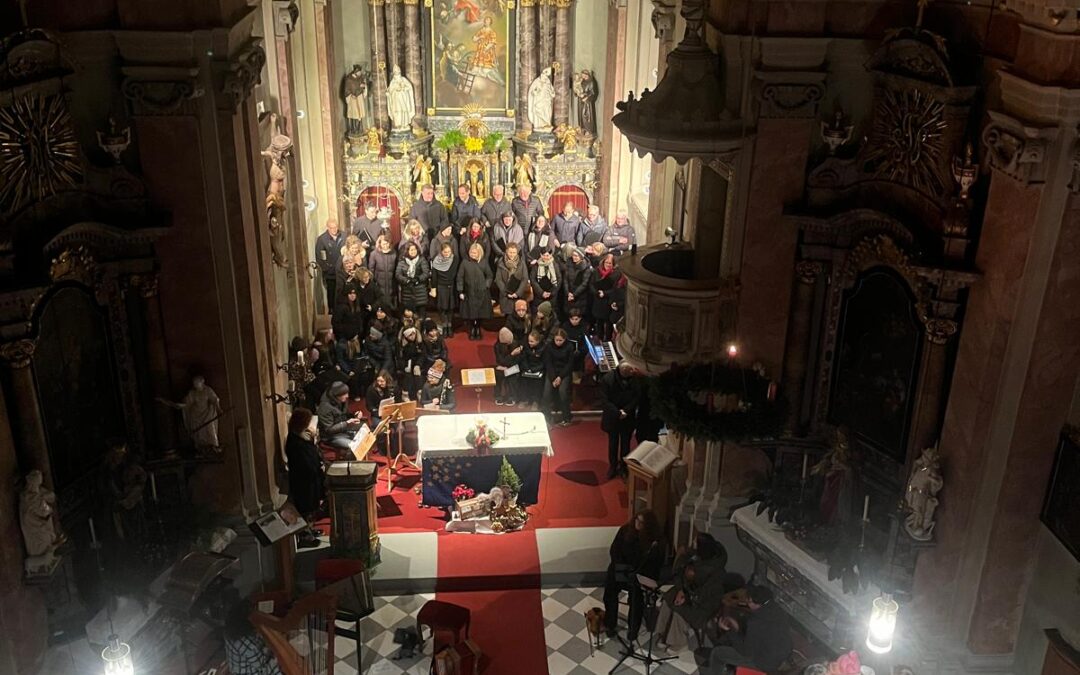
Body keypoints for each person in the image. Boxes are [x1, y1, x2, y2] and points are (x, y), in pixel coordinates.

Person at [656, 533, 729, 651]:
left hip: (703, 606)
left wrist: (686, 595)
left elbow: (705, 594)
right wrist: (681, 590)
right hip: (689, 593)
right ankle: (663, 633)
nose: (692, 543)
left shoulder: (715, 573)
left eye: (695, 542)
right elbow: (680, 575)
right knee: (668, 599)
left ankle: (678, 643)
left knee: (679, 608)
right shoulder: (694, 557)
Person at [603, 510, 664, 642]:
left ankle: (633, 630)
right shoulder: (625, 530)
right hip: (621, 569)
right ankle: (610, 624)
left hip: (638, 575)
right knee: (609, 593)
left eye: (642, 522)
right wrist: (621, 566)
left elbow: (655, 564)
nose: (638, 523)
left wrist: (638, 574)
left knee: (637, 600)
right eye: (637, 519)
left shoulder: (654, 541)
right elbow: (614, 550)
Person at [706, 585, 793, 675]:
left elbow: (746, 653)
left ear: (757, 604)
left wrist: (730, 631)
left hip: (765, 664)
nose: (748, 603)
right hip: (783, 654)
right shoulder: (779, 610)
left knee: (717, 653)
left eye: (750, 601)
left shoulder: (755, 622)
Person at [285, 408, 324, 548]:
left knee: (312, 507)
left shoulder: (301, 436)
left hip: (311, 479)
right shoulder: (294, 441)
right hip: (304, 480)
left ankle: (310, 530)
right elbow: (304, 463)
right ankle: (305, 536)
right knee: (305, 508)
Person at [600, 363, 639, 479]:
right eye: (630, 370)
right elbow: (604, 400)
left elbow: (637, 397)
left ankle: (623, 467)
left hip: (627, 416)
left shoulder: (634, 379)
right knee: (613, 443)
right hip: (613, 417)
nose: (632, 371)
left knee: (626, 444)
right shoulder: (608, 379)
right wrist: (618, 413)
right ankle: (613, 466)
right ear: (623, 370)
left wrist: (626, 410)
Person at [457, 242, 493, 341]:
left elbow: (489, 276)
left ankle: (478, 328)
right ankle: (472, 328)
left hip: (482, 292)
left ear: (479, 253)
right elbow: (460, 277)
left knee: (481, 312)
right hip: (470, 292)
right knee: (471, 312)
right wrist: (460, 291)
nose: (473, 254)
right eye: (471, 252)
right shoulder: (465, 262)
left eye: (475, 253)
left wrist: (486, 285)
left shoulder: (484, 262)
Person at [317, 381, 364, 454]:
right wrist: (346, 423)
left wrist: (355, 414)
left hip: (343, 429)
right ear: (337, 395)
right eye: (345, 394)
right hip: (331, 437)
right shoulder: (324, 407)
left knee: (364, 430)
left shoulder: (342, 400)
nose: (347, 396)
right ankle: (351, 462)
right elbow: (329, 429)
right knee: (355, 446)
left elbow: (345, 413)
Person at [542, 328, 575, 426]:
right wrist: (553, 378)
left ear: (565, 339)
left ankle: (566, 417)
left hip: (564, 373)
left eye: (561, 340)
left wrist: (560, 377)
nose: (558, 342)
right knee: (546, 394)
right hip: (552, 372)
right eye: (557, 340)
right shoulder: (549, 346)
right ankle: (547, 417)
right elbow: (548, 363)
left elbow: (569, 364)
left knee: (563, 392)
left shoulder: (569, 347)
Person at [592, 253, 627, 341]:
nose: (607, 265)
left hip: (609, 301)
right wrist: (597, 293)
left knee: (608, 323)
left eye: (610, 263)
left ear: (613, 264)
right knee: (599, 321)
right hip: (598, 300)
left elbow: (616, 289)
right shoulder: (597, 271)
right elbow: (591, 284)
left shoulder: (617, 274)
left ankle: (607, 340)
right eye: (606, 262)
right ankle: (599, 338)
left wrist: (605, 293)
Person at [430, 241, 459, 336]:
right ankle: (444, 325)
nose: (447, 254)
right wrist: (433, 288)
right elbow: (434, 276)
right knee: (442, 308)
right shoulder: (436, 260)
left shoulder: (455, 259)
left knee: (450, 308)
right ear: (441, 251)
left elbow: (455, 274)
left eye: (449, 252)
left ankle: (449, 326)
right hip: (441, 286)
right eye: (445, 252)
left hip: (451, 286)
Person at [314, 219, 344, 312]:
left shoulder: (344, 236)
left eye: (335, 227)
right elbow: (320, 257)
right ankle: (332, 311)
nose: (334, 230)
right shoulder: (322, 239)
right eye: (332, 228)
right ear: (328, 228)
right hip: (331, 274)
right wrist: (327, 269)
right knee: (332, 294)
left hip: (343, 271)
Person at [395, 242, 430, 319]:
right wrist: (406, 280)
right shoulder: (402, 261)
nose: (413, 251)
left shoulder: (422, 260)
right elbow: (398, 274)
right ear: (407, 251)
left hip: (420, 292)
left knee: (421, 318)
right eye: (411, 250)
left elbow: (426, 273)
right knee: (409, 317)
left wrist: (418, 279)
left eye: (414, 249)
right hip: (407, 293)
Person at [365, 370, 401, 441]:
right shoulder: (371, 389)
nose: (379, 383)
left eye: (382, 381)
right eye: (378, 381)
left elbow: (399, 402)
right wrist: (379, 413)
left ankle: (396, 446)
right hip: (378, 415)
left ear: (387, 380)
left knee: (400, 429)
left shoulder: (394, 388)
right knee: (382, 430)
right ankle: (382, 447)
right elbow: (369, 406)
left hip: (392, 413)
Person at [495, 243, 528, 317]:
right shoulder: (501, 263)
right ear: (506, 251)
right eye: (510, 252)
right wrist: (506, 292)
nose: (512, 254)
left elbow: (525, 279)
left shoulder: (522, 263)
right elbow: (498, 279)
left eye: (514, 252)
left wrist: (517, 293)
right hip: (505, 296)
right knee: (507, 319)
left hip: (518, 295)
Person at [494, 327, 522, 406]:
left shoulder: (516, 345)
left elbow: (516, 361)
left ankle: (512, 396)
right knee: (498, 374)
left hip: (513, 367)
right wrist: (511, 355)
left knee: (512, 376)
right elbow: (500, 360)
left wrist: (511, 355)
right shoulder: (497, 346)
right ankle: (498, 396)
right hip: (502, 366)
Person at [563, 246, 594, 318]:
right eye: (573, 255)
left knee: (578, 315)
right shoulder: (568, 264)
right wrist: (567, 292)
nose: (574, 257)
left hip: (580, 296)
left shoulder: (586, 268)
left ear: (581, 257)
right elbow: (565, 279)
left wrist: (574, 294)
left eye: (576, 256)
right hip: (569, 294)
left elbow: (584, 283)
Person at [518, 330, 546, 409]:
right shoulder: (526, 346)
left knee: (537, 383)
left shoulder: (543, 348)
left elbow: (544, 363)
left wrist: (534, 369)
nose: (529, 343)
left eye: (532, 341)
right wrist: (527, 368)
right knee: (523, 381)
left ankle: (535, 401)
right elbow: (523, 358)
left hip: (538, 369)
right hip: (527, 368)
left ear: (537, 341)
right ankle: (524, 400)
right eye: (529, 341)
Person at [368, 236, 398, 308]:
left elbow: (396, 268)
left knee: (391, 305)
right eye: (384, 244)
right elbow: (371, 269)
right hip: (379, 283)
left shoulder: (394, 253)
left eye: (387, 243)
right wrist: (374, 280)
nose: (385, 245)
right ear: (380, 244)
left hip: (391, 284)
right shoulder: (374, 254)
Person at [396, 326, 424, 401]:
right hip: (406, 365)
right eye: (410, 335)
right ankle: (405, 394)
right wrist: (404, 367)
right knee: (407, 376)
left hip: (417, 364)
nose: (412, 336)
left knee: (418, 374)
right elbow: (399, 358)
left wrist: (418, 364)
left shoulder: (419, 342)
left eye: (413, 334)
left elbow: (422, 355)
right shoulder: (401, 345)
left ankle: (420, 392)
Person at [562, 308, 590, 382]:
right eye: (572, 319)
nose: (574, 321)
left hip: (578, 357)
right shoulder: (565, 326)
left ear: (580, 318)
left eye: (576, 319)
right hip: (566, 355)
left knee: (576, 379)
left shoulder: (584, 327)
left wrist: (580, 351)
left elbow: (587, 344)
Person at [530, 249, 561, 313]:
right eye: (543, 255)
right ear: (540, 255)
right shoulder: (536, 265)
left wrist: (552, 292)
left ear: (551, 255)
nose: (545, 257)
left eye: (547, 255)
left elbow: (559, 279)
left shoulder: (555, 265)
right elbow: (533, 280)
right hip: (539, 296)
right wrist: (541, 292)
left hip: (552, 296)